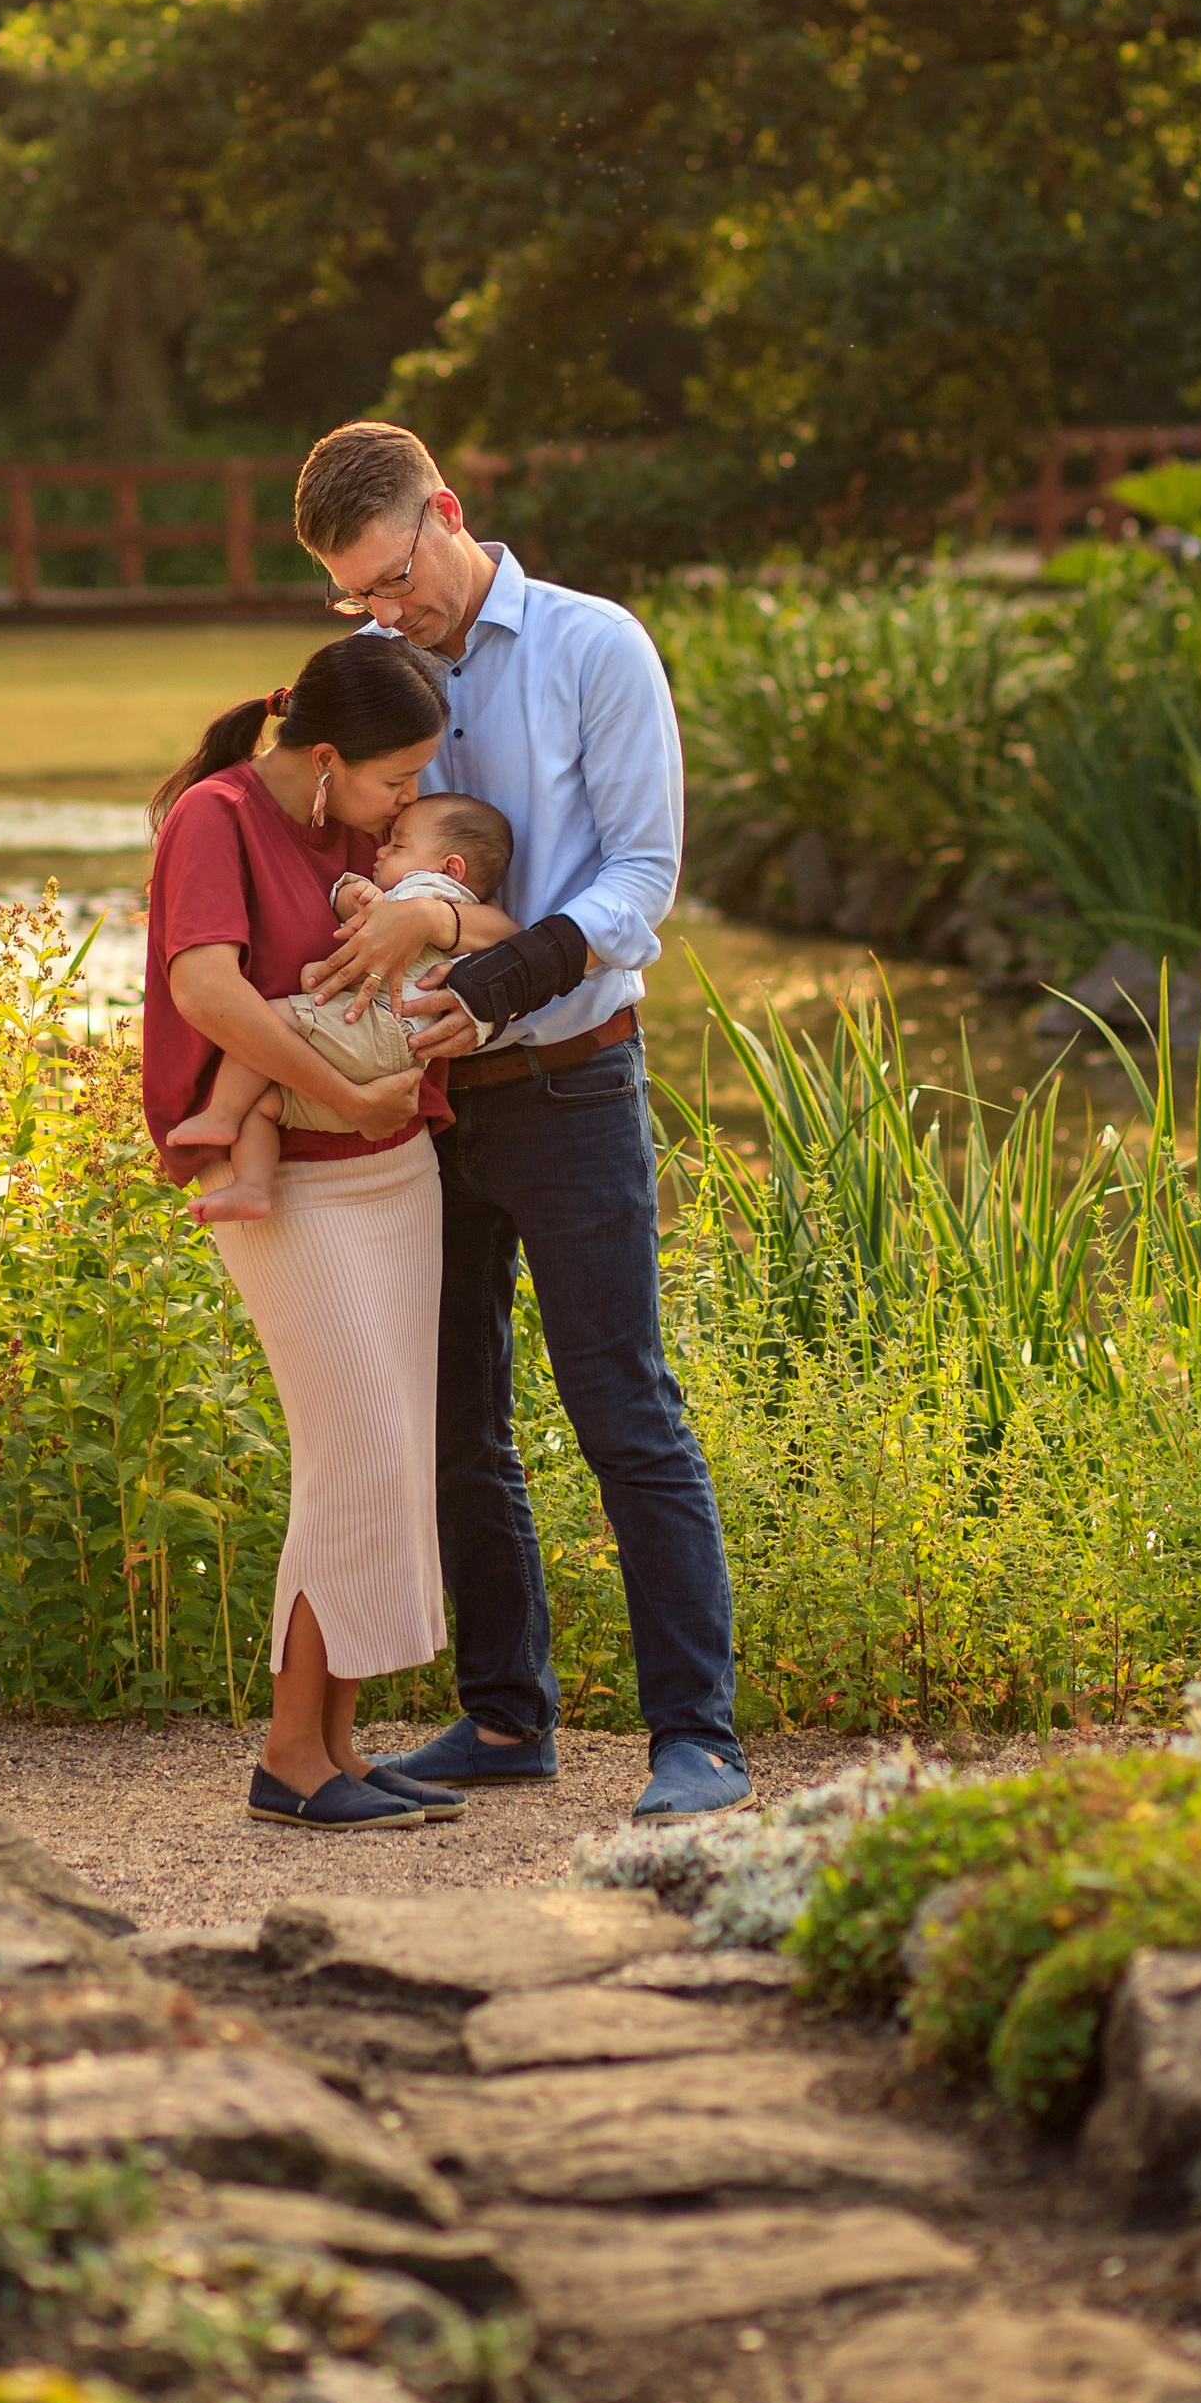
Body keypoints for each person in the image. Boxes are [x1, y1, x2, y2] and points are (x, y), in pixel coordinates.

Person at [287, 417, 751, 1823]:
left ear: (447, 510)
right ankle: (504, 1719)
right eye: (354, 599)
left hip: (566, 1078)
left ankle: (699, 1737)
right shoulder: (383, 669)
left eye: (391, 581)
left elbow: (642, 879)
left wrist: (493, 974)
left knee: (624, 1408)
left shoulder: (595, 646)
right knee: (451, 1423)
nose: (385, 615)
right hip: (419, 1105)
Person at [139, 629, 471, 1831]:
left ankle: (330, 1745)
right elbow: (205, 991)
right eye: (394, 781)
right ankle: (289, 1752)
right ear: (325, 756)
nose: (409, 803)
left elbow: (455, 919)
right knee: (360, 1443)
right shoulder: (216, 818)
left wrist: (431, 921)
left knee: (381, 1455)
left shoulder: (353, 834)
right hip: (286, 1179)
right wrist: (334, 1093)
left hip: (397, 1166)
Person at [168, 790, 516, 1221]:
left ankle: (220, 1114)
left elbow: (380, 914)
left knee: (271, 1019)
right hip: (398, 1058)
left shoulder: (430, 890)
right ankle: (252, 1188)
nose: (382, 849)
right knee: (267, 1104)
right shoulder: (466, 913)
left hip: (379, 1028)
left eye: (398, 845)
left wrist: (355, 894)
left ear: (451, 868)